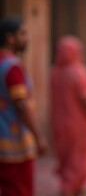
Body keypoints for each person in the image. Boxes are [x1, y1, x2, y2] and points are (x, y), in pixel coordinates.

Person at [0, 16, 47, 196]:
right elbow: (21, 105)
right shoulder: (12, 67)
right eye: (23, 34)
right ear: (10, 38)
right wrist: (39, 136)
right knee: (19, 190)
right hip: (15, 145)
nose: (26, 38)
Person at [50, 36, 86, 195]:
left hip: (59, 124)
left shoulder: (54, 72)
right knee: (78, 161)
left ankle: (70, 188)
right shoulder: (79, 72)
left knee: (66, 161)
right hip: (78, 124)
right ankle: (70, 190)